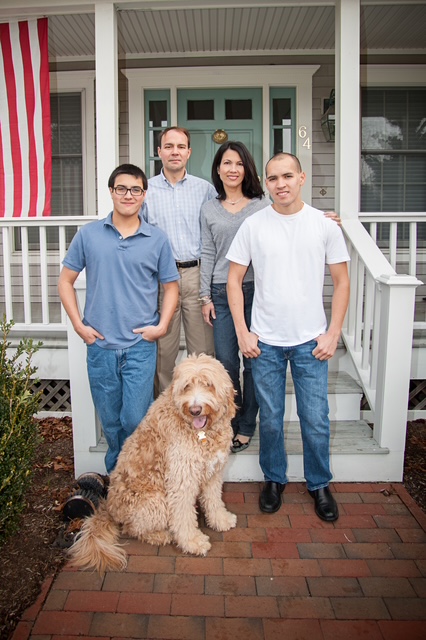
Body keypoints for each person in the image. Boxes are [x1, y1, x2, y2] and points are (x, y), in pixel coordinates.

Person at [226, 152, 350, 521]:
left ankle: (319, 484)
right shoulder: (253, 225)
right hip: (264, 341)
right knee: (272, 418)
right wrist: (243, 332)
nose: (280, 184)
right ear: (265, 183)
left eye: (287, 176)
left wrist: (333, 334)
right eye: (273, 178)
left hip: (312, 342)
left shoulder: (324, 225)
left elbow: (342, 282)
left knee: (316, 417)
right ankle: (274, 479)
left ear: (302, 178)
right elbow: (234, 280)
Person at [58, 164, 179, 474]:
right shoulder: (89, 235)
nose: (129, 195)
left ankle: (136, 480)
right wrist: (79, 325)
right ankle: (116, 481)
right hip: (100, 346)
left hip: (140, 346)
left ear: (144, 194)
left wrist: (162, 326)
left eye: (136, 189)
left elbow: (171, 287)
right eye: (122, 188)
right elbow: (65, 281)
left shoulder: (157, 239)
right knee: (111, 421)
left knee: (135, 419)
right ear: (111, 192)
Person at [199, 141, 267, 453]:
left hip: (255, 291)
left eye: (239, 164)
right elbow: (207, 251)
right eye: (227, 163)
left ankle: (248, 424)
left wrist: (326, 219)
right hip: (221, 293)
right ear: (218, 169)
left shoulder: (262, 205)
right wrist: (204, 296)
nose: (233, 169)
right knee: (226, 362)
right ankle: (230, 419)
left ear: (246, 169)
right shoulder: (210, 208)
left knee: (253, 361)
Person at [142, 127, 216, 394]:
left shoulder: (204, 190)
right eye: (169, 146)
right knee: (163, 351)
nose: (175, 151)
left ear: (189, 152)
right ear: (159, 151)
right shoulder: (146, 191)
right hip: (162, 279)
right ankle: (167, 411)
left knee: (204, 351)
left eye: (181, 146)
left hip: (197, 275)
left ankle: (203, 408)